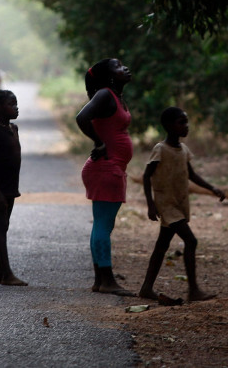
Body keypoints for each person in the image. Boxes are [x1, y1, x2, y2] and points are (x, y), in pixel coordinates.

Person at [138, 107, 225, 302]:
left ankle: (146, 288)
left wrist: (213, 188)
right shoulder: (160, 149)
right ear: (168, 125)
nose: (186, 126)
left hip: (179, 203)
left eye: (186, 122)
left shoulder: (184, 150)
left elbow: (192, 175)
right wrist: (150, 205)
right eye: (181, 122)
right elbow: (146, 177)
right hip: (166, 203)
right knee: (191, 241)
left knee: (162, 246)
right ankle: (193, 290)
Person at [75, 58, 135, 296]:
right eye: (119, 66)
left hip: (112, 167)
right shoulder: (105, 94)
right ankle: (106, 280)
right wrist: (99, 142)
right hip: (105, 168)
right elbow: (81, 118)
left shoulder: (114, 95)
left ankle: (101, 280)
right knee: (102, 224)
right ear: (109, 77)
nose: (125, 68)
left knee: (104, 225)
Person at [0, 89, 27, 286]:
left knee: (5, 226)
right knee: (1, 227)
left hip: (11, 185)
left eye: (16, 103)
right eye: (12, 104)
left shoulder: (14, 128)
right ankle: (7, 273)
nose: (16, 107)